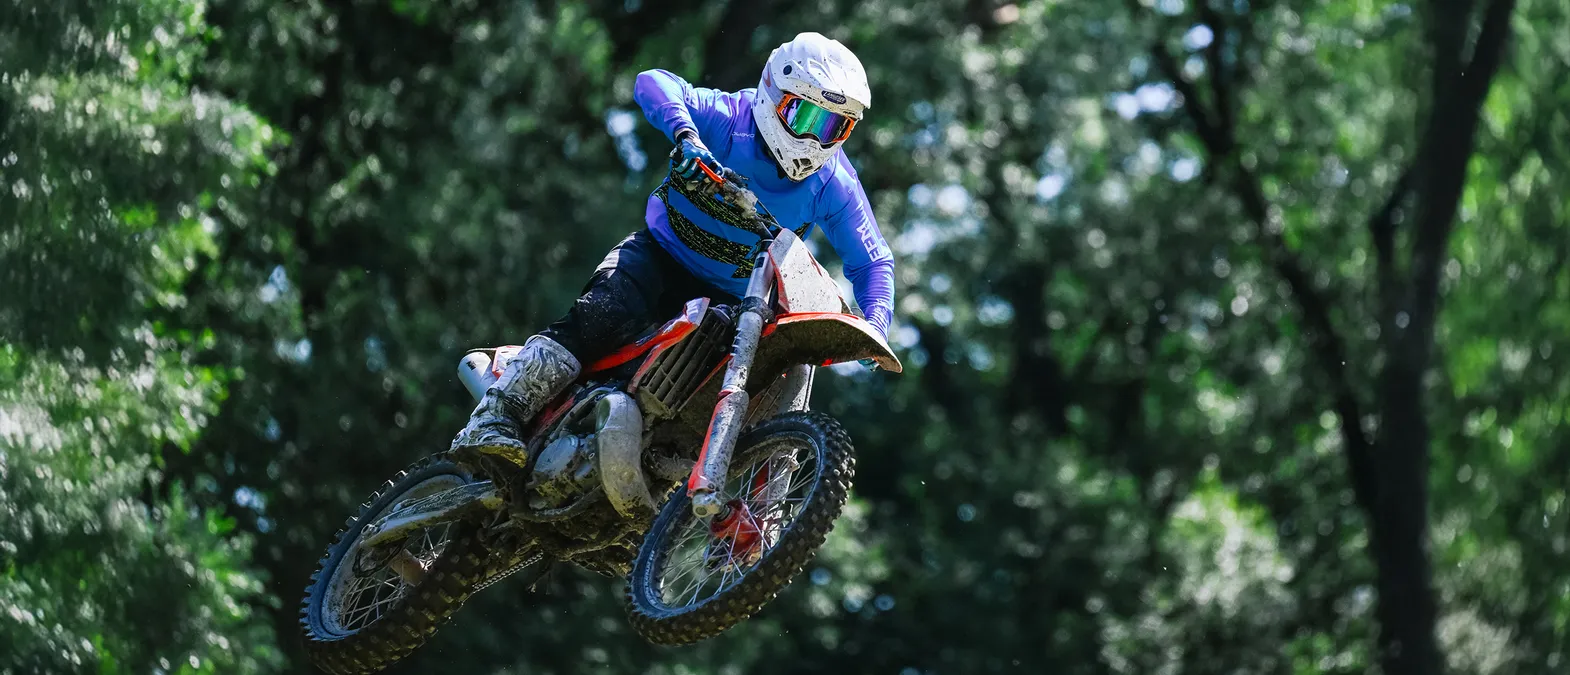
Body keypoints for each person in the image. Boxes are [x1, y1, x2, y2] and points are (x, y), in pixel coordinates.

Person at [452, 32, 895, 467]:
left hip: (733, 302)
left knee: (769, 379)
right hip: (658, 256)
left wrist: (876, 323)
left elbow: (873, 260)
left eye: (835, 127)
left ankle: (757, 517)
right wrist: (685, 134)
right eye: (806, 118)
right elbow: (652, 81)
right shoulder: (728, 117)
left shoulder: (834, 184)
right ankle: (497, 413)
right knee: (603, 313)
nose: (817, 140)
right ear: (773, 94)